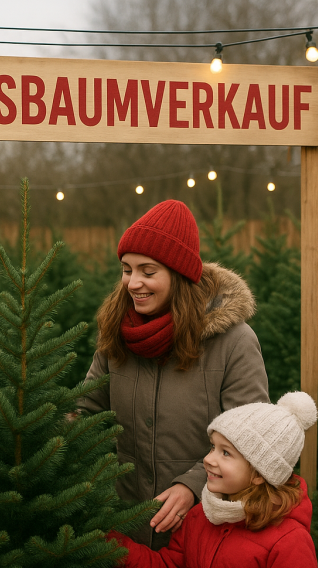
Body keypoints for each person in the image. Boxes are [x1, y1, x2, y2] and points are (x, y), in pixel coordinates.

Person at [77, 199, 269, 550]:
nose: (133, 283)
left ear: (179, 275)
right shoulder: (116, 335)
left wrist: (193, 485)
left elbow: (251, 439)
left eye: (148, 272)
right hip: (128, 526)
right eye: (126, 269)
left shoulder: (235, 342)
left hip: (204, 531)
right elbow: (83, 409)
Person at [107, 391, 318, 568]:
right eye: (212, 447)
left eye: (225, 453)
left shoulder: (289, 542)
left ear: (259, 473)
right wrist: (108, 543)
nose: (209, 459)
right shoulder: (199, 517)